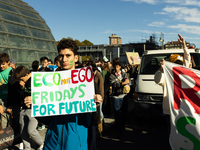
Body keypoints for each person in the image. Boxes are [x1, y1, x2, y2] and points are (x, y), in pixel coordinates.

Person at [24, 39, 103, 150]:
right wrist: (35, 104)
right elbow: (47, 119)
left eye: (68, 55)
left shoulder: (86, 83)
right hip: (52, 143)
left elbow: (91, 122)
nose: (64, 59)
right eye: (61, 56)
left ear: (76, 58)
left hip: (76, 145)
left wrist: (95, 107)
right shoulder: (49, 82)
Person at [154, 34, 191, 147]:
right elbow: (157, 80)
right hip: (170, 109)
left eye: (180, 64)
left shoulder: (184, 74)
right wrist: (161, 69)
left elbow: (187, 60)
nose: (179, 66)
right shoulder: (166, 74)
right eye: (176, 63)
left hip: (183, 108)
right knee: (172, 133)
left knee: (184, 133)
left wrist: (184, 45)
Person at [14, 66, 44, 150]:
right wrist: (22, 88)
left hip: (33, 109)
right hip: (24, 108)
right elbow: (21, 97)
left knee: (31, 130)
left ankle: (42, 143)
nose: (20, 81)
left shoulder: (36, 80)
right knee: (23, 131)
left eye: (22, 79)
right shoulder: (22, 82)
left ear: (27, 74)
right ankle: (26, 147)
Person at [109, 61, 130, 138]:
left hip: (124, 96)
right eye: (115, 67)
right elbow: (114, 84)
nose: (116, 68)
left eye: (117, 67)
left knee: (124, 114)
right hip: (116, 97)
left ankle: (122, 127)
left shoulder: (123, 73)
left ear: (120, 67)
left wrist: (127, 82)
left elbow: (128, 80)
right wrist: (123, 83)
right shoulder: (112, 75)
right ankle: (118, 131)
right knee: (117, 115)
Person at [0, 53, 15, 130]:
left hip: (8, 101)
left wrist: (10, 106)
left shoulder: (12, 72)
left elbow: (14, 90)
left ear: (8, 62)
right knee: (2, 123)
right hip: (1, 100)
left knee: (11, 122)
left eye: (3, 64)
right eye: (0, 64)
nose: (1, 66)